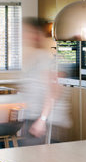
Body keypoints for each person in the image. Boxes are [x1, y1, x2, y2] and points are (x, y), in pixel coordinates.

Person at [19, 17, 71, 146]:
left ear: (37, 34)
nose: (23, 36)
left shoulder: (48, 59)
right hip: (35, 119)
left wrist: (42, 120)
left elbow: (54, 91)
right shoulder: (35, 58)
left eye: (27, 32)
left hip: (48, 123)